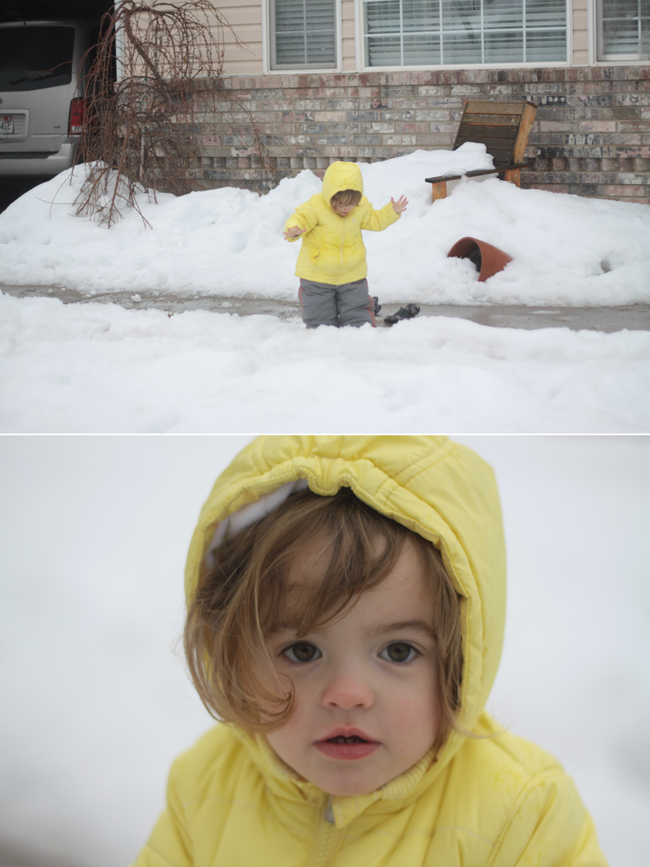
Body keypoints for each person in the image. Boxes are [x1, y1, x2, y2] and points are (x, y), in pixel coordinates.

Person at [132, 436, 608, 867]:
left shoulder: (520, 812)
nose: (347, 694)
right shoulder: (205, 786)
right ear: (237, 652)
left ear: (463, 658)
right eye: (301, 651)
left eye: (398, 651)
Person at [283, 161, 408, 328]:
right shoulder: (316, 206)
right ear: (330, 196)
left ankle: (357, 337)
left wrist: (391, 212)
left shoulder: (360, 207)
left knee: (358, 318)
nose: (346, 209)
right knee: (320, 322)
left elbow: (375, 221)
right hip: (317, 275)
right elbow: (300, 218)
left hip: (352, 274)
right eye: (340, 205)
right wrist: (293, 230)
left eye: (351, 205)